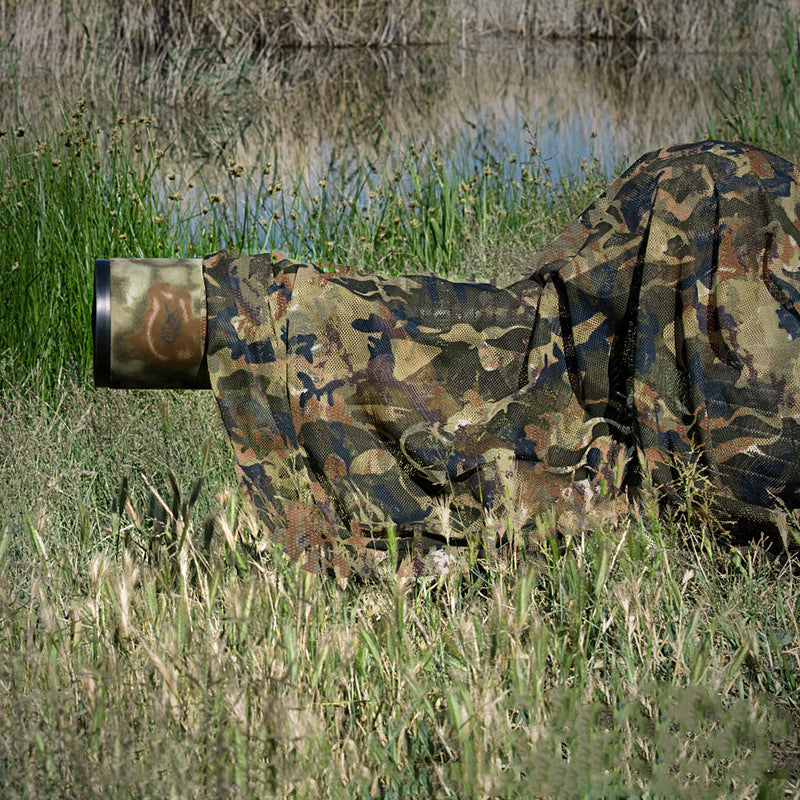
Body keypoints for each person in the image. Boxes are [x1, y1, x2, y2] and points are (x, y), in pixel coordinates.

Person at [104, 140, 800, 576]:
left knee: (498, 341)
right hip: (725, 226)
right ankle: (139, 314)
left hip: (724, 205)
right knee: (503, 350)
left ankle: (138, 313)